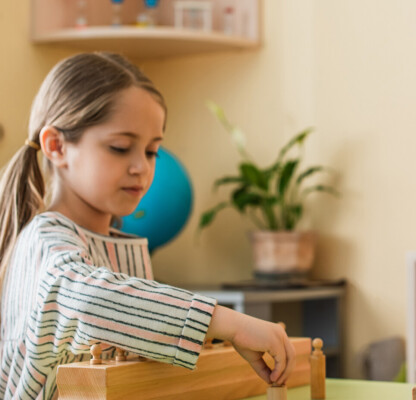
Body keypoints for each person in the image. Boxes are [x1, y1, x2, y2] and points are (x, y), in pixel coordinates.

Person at [0, 52, 296, 400]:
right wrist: (230, 323)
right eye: (120, 147)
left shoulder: (117, 244)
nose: (141, 166)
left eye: (152, 151)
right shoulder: (45, 240)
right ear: (57, 146)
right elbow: (87, 300)